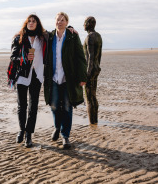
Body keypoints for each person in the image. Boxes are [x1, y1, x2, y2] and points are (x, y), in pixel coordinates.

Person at [44, 12, 87, 149]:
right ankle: (57, 127)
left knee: (68, 107)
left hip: (68, 78)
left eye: (63, 20)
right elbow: (36, 33)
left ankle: (65, 136)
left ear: (67, 23)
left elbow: (80, 57)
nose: (60, 22)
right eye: (58, 19)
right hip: (54, 78)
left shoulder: (73, 36)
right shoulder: (50, 37)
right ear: (54, 21)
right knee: (54, 105)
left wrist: (82, 77)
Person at [9, 14, 47, 148]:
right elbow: (13, 57)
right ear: (26, 23)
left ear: (37, 24)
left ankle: (29, 134)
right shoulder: (19, 38)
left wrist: (71, 28)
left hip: (37, 75)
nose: (31, 23)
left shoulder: (43, 38)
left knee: (33, 106)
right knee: (22, 105)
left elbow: (58, 31)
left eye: (34, 21)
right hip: (22, 75)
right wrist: (23, 58)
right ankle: (21, 129)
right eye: (29, 21)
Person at [83, 16, 102, 125]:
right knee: (93, 95)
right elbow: (97, 56)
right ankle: (95, 120)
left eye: (84, 23)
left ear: (88, 24)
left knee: (89, 97)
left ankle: (92, 122)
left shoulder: (89, 37)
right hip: (96, 68)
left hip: (90, 70)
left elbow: (90, 57)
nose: (83, 25)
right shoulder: (99, 36)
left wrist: (87, 73)